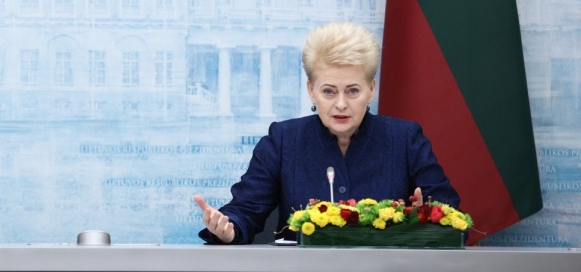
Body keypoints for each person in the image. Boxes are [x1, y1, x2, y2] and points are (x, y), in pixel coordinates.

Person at [193, 21, 459, 244]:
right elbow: (245, 211)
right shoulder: (283, 140)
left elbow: (454, 219)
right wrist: (228, 229)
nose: (341, 104)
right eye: (329, 91)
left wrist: (427, 216)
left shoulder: (405, 140)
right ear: (311, 90)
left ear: (371, 89)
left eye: (352, 91)